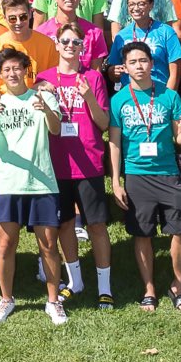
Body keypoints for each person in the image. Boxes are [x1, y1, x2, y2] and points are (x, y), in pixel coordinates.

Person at [0, 46, 69, 325]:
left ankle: (53, 301)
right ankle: (6, 299)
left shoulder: (43, 98)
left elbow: (55, 130)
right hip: (8, 183)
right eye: (6, 70)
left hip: (42, 183)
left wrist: (46, 110)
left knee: (49, 245)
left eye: (17, 68)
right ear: (1, 75)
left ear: (25, 70)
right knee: (5, 246)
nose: (12, 73)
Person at [109, 39, 181, 311]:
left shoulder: (169, 96)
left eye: (143, 61)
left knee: (180, 231)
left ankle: (178, 283)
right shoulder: (118, 100)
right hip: (136, 175)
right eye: (133, 62)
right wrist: (115, 180)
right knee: (142, 234)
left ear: (152, 63)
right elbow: (114, 142)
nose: (139, 66)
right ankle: (149, 288)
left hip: (169, 173)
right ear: (125, 67)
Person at [42, 25, 116, 309]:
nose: (71, 45)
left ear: (83, 47)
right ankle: (76, 281)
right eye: (65, 41)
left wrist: (87, 96)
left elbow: (103, 123)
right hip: (57, 165)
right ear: (57, 45)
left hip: (88, 164)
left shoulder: (94, 77)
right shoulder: (45, 79)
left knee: (96, 226)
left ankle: (105, 287)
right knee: (64, 226)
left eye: (76, 41)